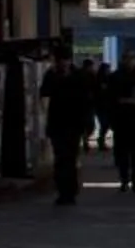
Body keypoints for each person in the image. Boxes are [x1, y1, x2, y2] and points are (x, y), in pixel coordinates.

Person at [42, 44, 98, 207]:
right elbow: (44, 94)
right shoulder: (51, 76)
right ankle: (62, 191)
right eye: (59, 61)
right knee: (60, 158)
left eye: (64, 60)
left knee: (70, 158)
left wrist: (87, 124)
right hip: (57, 123)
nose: (62, 64)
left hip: (74, 124)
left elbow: (87, 101)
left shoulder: (79, 76)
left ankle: (70, 191)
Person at [105, 57, 135, 191]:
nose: (131, 62)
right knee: (123, 152)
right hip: (122, 119)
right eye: (128, 59)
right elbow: (110, 98)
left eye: (132, 59)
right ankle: (125, 178)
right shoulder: (116, 77)